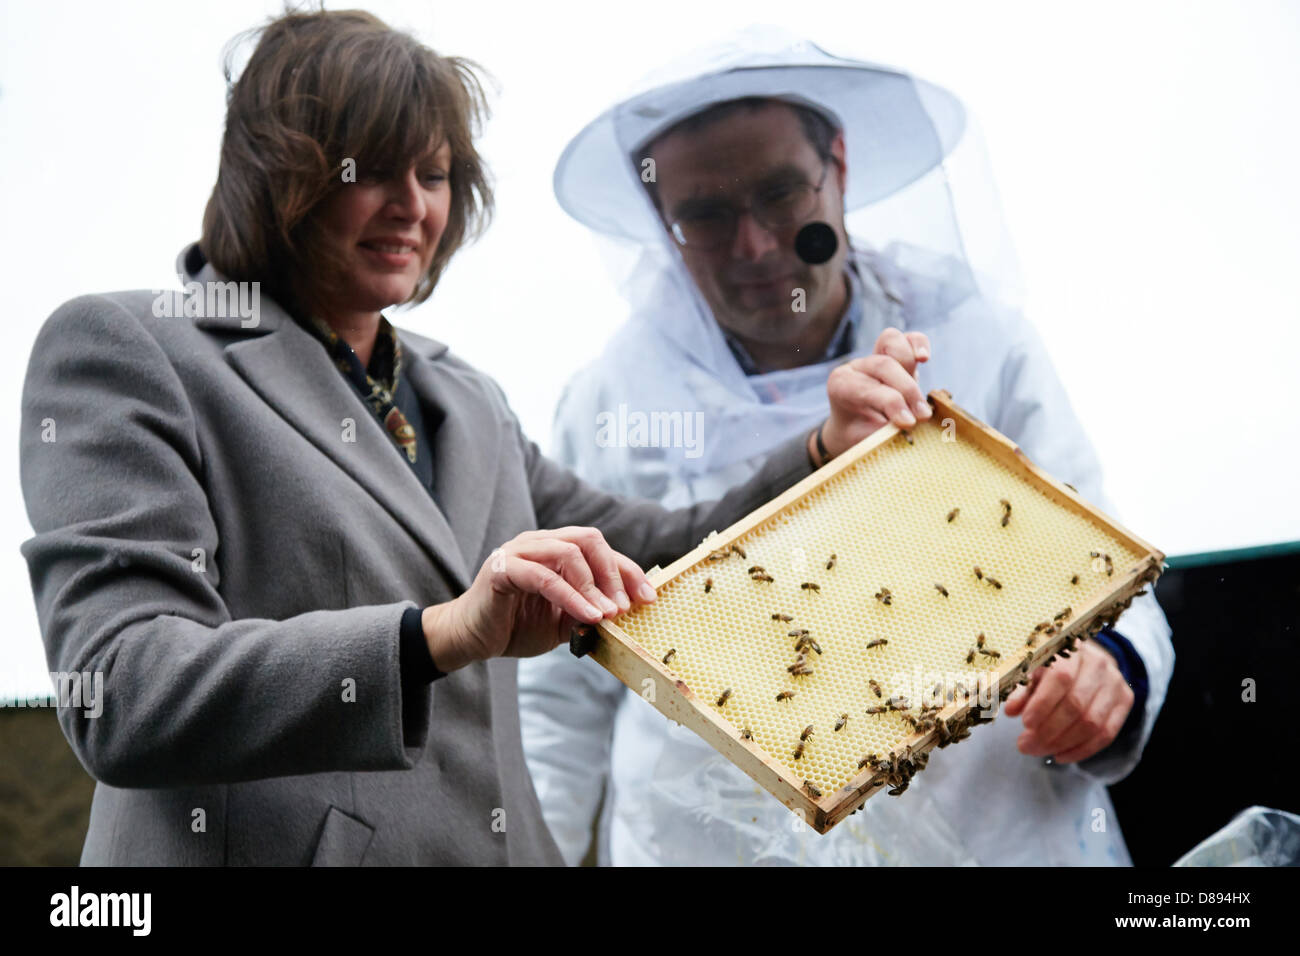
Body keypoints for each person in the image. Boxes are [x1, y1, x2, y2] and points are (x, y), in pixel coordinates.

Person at [17, 11, 914, 866]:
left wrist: (819, 452)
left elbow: (656, 558)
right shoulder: (131, 347)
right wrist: (438, 634)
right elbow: (123, 693)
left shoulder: (466, 398)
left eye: (435, 175)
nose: (412, 206)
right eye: (370, 171)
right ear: (276, 174)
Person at [518, 29, 1175, 866]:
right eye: (707, 214)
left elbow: (1107, 564)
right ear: (660, 218)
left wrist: (1113, 665)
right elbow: (562, 691)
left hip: (991, 828)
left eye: (781, 193)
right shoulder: (610, 399)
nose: (755, 245)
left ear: (840, 167)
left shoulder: (980, 341)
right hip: (708, 841)